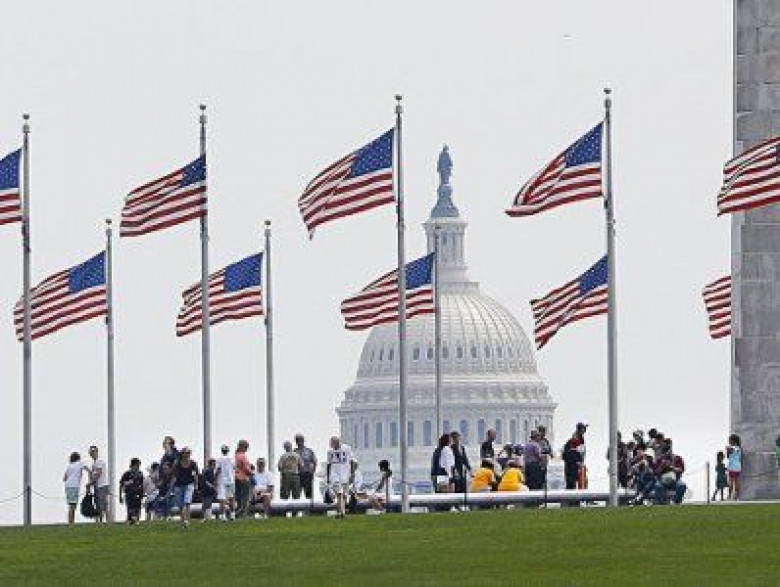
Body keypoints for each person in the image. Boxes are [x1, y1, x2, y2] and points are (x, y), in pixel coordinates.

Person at [326, 436, 354, 519]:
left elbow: (351, 461)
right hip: (334, 475)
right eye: (331, 444)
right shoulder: (330, 451)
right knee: (339, 493)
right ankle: (342, 512)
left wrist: (352, 474)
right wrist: (328, 477)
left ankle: (340, 512)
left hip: (345, 475)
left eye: (333, 443)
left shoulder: (347, 448)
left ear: (338, 442)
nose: (332, 446)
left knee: (344, 495)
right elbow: (329, 464)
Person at [653, 438, 686, 505]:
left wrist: (671, 467)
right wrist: (662, 466)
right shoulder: (659, 459)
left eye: (669, 448)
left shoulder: (677, 458)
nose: (668, 451)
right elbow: (656, 472)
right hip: (662, 481)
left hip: (675, 480)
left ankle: (675, 502)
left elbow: (681, 470)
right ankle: (663, 503)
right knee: (657, 486)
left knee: (682, 485)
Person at [172, 447, 199, 527]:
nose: (188, 454)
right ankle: (183, 520)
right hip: (178, 485)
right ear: (182, 454)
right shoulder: (177, 463)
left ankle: (187, 521)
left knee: (187, 502)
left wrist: (196, 485)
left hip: (189, 484)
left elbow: (196, 474)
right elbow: (174, 475)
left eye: (189, 453)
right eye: (186, 453)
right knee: (180, 505)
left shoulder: (193, 463)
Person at [63, 452, 88, 525]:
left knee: (71, 504)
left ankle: (71, 522)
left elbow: (64, 478)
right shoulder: (80, 463)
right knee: (73, 505)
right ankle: (71, 522)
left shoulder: (69, 466)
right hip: (74, 486)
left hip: (68, 486)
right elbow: (88, 469)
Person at [88, 445, 110, 523]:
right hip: (97, 486)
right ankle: (99, 521)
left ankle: (107, 521)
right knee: (97, 504)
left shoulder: (99, 461)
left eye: (93, 451)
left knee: (103, 504)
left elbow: (98, 473)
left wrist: (90, 483)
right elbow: (93, 474)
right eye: (91, 452)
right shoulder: (94, 463)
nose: (92, 453)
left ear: (97, 452)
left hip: (102, 486)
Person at [119, 458, 144, 524]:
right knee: (130, 509)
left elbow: (142, 485)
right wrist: (120, 496)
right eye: (137, 465)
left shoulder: (140, 474)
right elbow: (121, 484)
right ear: (133, 465)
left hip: (138, 493)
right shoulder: (127, 474)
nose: (138, 467)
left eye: (139, 465)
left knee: (138, 508)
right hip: (129, 494)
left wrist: (142, 493)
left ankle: (136, 520)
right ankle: (131, 520)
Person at [294, 434, 318, 502]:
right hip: (297, 475)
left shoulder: (309, 451)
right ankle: (295, 508)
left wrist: (312, 472)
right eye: (297, 440)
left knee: (308, 494)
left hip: (307, 475)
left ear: (303, 441)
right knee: (296, 495)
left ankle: (309, 508)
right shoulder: (294, 452)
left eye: (300, 440)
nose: (299, 442)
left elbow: (314, 462)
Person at [216, 444, 235, 520]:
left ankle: (223, 516)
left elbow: (218, 469)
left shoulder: (219, 459)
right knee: (231, 498)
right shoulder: (232, 459)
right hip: (231, 480)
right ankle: (232, 515)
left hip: (222, 480)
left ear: (222, 451)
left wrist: (215, 479)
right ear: (228, 451)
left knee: (222, 499)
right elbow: (234, 468)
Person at [234, 440, 253, 518]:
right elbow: (245, 468)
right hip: (244, 479)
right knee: (245, 497)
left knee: (238, 497)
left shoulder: (235, 456)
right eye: (246, 447)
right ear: (242, 447)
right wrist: (251, 473)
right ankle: (243, 513)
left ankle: (237, 513)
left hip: (236, 478)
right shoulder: (242, 456)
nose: (246, 449)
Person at [726, 434, 742, 500]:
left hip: (731, 467)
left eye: (729, 440)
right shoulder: (739, 448)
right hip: (738, 466)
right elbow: (740, 458)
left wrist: (727, 450)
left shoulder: (730, 448)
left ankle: (729, 496)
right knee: (737, 481)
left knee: (731, 482)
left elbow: (728, 456)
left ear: (733, 441)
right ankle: (737, 496)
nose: (729, 441)